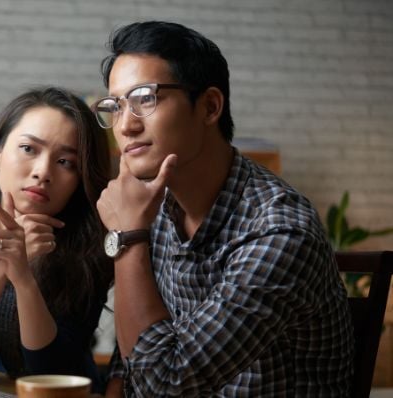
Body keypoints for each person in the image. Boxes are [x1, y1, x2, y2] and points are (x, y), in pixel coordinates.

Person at [91, 21, 353, 397]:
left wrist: (127, 236)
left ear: (210, 106)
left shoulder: (280, 231)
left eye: (145, 98)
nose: (126, 125)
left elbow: (166, 383)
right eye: (116, 106)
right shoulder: (158, 207)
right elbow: (139, 340)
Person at [0, 86, 113, 391]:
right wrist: (0, 262)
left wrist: (23, 279)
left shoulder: (88, 241)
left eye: (65, 162)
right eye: (29, 149)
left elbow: (53, 373)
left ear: (80, 178)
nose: (42, 172)